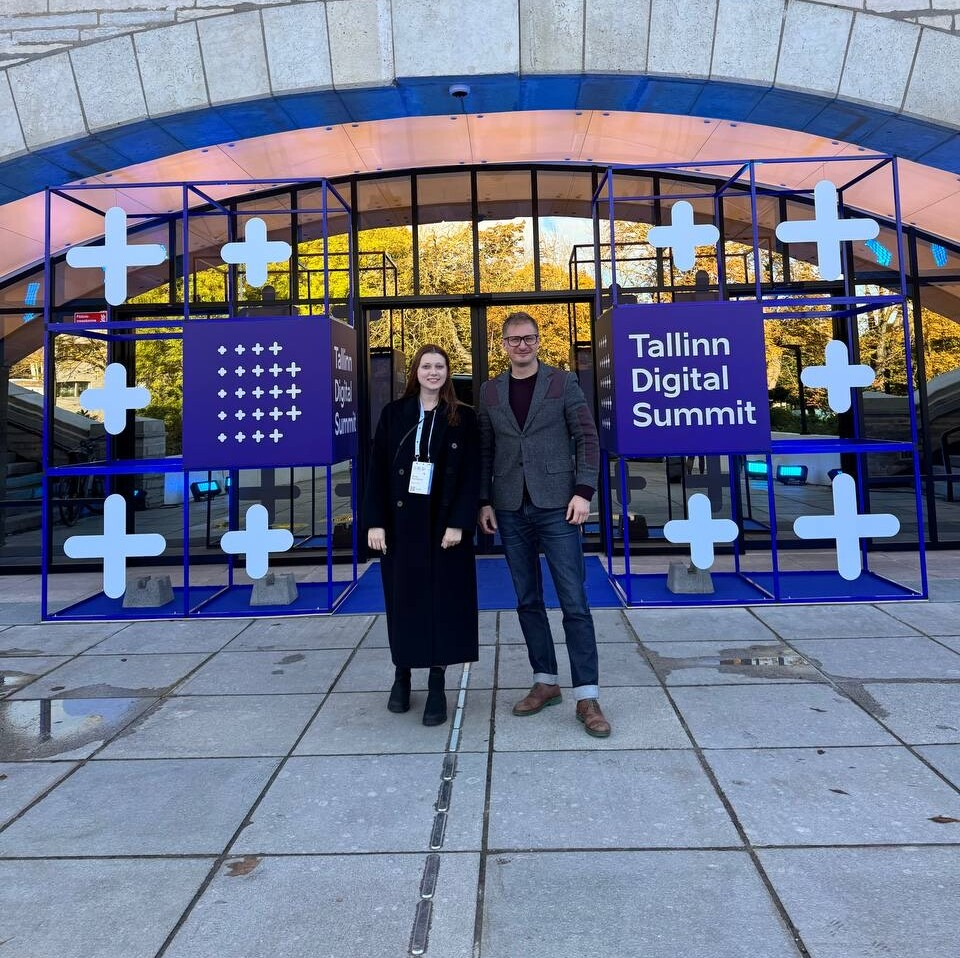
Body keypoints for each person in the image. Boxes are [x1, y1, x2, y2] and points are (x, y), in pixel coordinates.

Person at [478, 312, 610, 737]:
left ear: (538, 342)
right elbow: (485, 449)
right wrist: (484, 500)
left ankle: (587, 695)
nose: (522, 346)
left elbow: (587, 437)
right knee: (527, 599)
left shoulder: (561, 382)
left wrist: (584, 491)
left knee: (574, 600)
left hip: (558, 505)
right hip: (510, 507)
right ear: (502, 345)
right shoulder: (490, 391)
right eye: (514, 340)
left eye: (529, 338)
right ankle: (545, 681)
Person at [364, 344, 480, 726]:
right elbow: (376, 470)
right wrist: (375, 521)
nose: (433, 372)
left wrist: (459, 523)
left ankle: (436, 683)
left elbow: (470, 475)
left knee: (442, 605)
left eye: (440, 366)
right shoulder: (393, 414)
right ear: (415, 372)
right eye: (426, 366)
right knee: (404, 602)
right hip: (400, 527)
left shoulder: (463, 417)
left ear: (448, 373)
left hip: (443, 526)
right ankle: (402, 674)